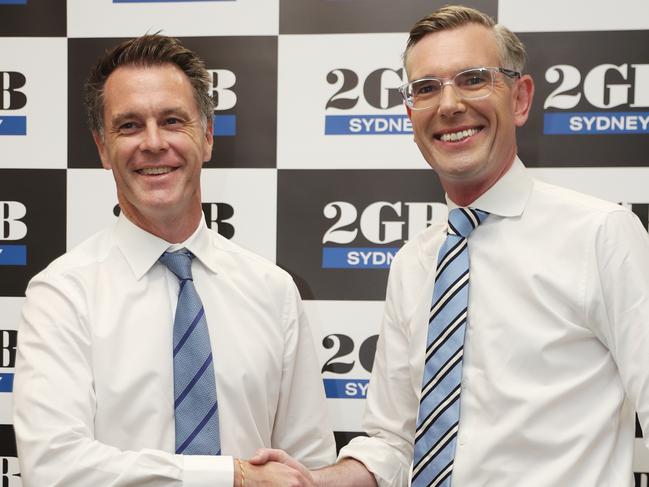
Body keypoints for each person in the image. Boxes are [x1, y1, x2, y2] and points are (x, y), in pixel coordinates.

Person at [251, 5, 649, 487]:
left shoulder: (602, 234)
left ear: (520, 98)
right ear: (410, 114)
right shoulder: (413, 263)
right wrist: (318, 481)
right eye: (426, 88)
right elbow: (394, 442)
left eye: (473, 78)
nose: (449, 104)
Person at [13, 34, 335, 487]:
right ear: (103, 148)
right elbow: (53, 468)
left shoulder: (272, 290)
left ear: (206, 137)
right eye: (128, 126)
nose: (152, 142)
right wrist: (231, 476)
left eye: (172, 120)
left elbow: (309, 467)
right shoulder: (62, 294)